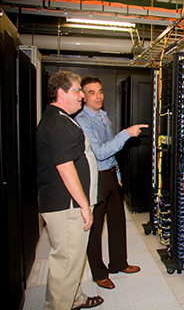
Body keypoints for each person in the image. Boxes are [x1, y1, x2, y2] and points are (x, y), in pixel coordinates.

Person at [36, 71, 103, 310]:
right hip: (68, 206)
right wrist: (85, 206)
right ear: (61, 92)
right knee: (65, 263)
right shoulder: (59, 122)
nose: (82, 97)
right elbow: (65, 168)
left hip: (66, 204)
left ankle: (73, 299)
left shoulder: (60, 118)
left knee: (72, 261)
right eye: (77, 91)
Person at [75, 76, 148, 289]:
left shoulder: (102, 117)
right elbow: (99, 152)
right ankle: (99, 272)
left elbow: (110, 149)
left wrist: (117, 176)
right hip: (95, 178)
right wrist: (126, 133)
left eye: (100, 91)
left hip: (110, 175)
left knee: (117, 222)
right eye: (91, 92)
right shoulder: (83, 121)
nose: (98, 96)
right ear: (83, 96)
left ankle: (118, 263)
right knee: (95, 227)